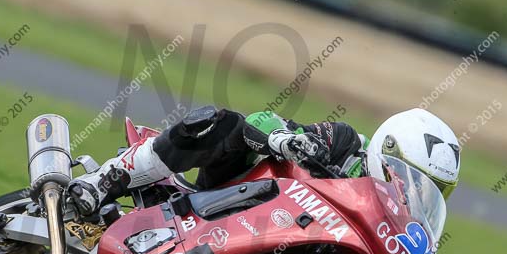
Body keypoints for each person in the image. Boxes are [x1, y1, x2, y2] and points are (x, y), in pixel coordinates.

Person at [67, 105, 461, 216]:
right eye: (411, 178)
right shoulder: (345, 143)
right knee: (226, 124)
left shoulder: (400, 226)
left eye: (431, 190)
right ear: (386, 152)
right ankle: (104, 180)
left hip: (283, 240)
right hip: (239, 198)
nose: (413, 192)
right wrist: (288, 141)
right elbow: (261, 120)